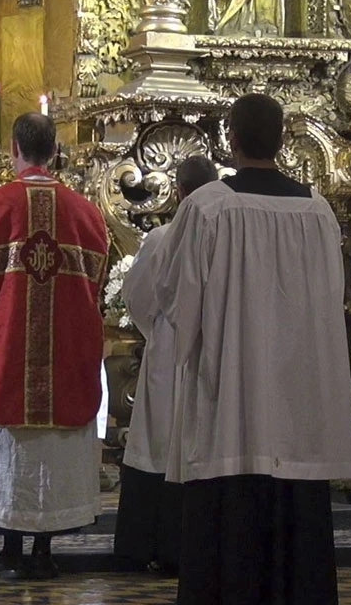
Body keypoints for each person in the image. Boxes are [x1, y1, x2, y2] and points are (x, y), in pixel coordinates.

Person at [155, 94, 351, 605]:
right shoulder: (318, 213)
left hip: (231, 402)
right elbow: (331, 300)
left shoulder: (207, 208)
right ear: (282, 141)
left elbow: (175, 299)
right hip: (298, 405)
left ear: (232, 140)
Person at [0, 113, 108, 581]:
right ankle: (44, 550)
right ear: (55, 151)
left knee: (13, 452)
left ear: (14, 149)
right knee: (52, 454)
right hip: (67, 358)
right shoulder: (88, 214)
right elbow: (96, 284)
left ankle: (10, 550)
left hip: (7, 353)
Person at [113, 155, 219, 574]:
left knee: (158, 446)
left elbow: (136, 297)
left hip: (168, 351)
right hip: (213, 356)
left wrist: (157, 331)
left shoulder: (161, 239)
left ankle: (147, 545)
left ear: (178, 192)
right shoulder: (227, 236)